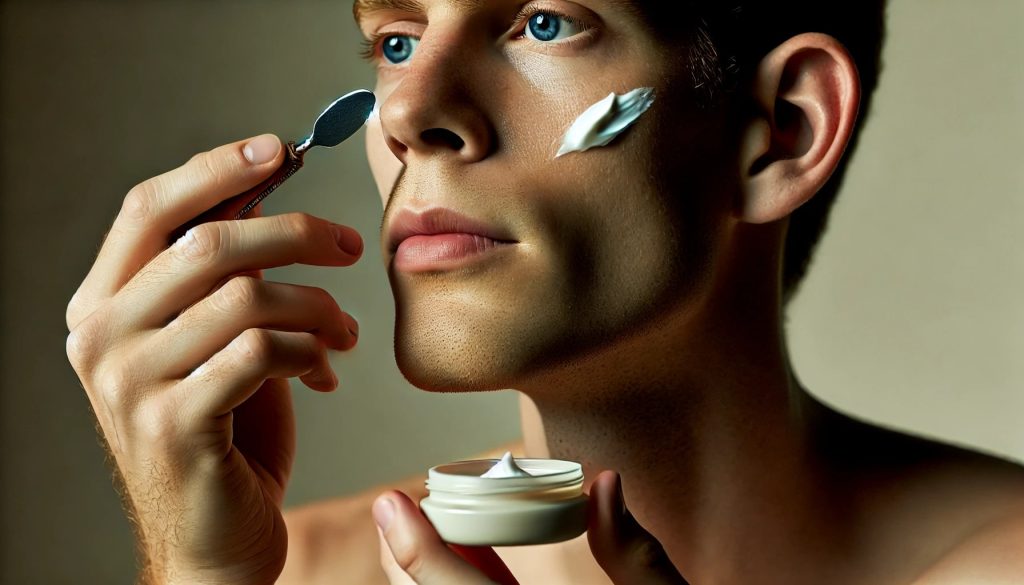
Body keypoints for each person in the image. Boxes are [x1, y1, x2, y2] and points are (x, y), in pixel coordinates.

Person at [65, 1, 1024, 583]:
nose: (408, 112)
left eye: (545, 23)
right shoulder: (279, 572)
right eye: (396, 41)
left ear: (780, 129)